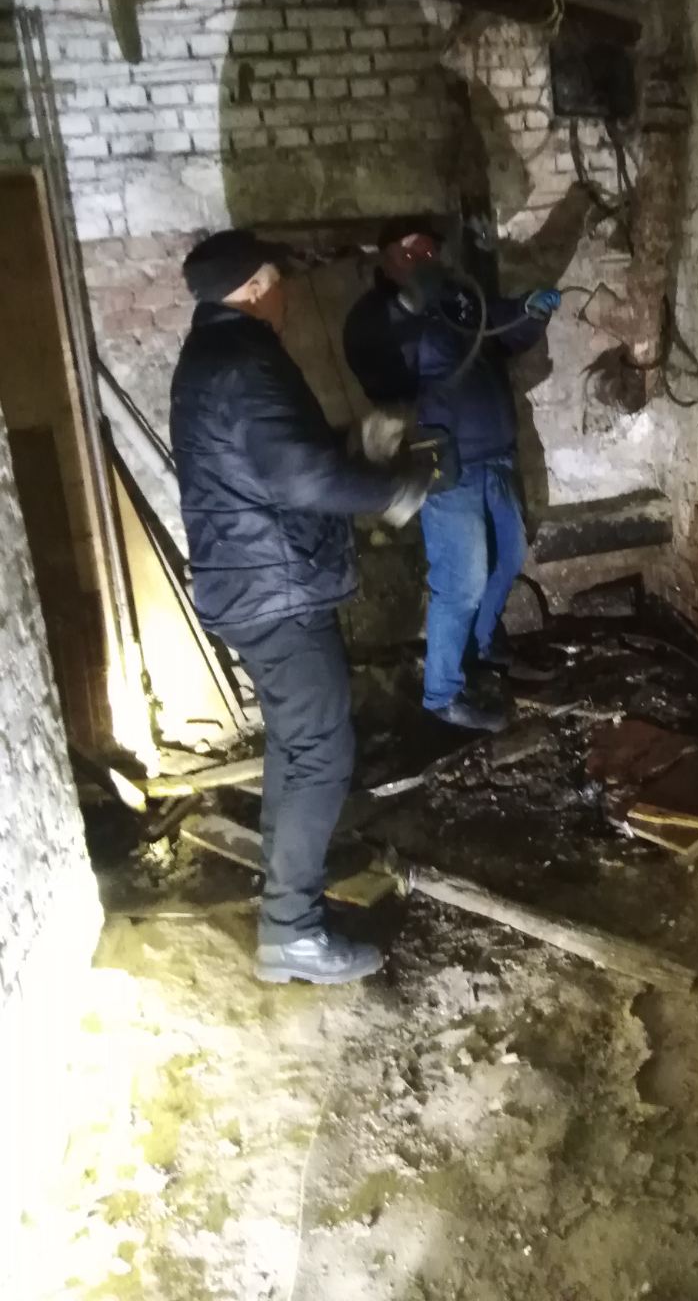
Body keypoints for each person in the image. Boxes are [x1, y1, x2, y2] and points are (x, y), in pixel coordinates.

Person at [170, 228, 434, 985]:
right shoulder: (245, 362)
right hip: (274, 591)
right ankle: (291, 931)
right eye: (277, 281)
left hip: (251, 584)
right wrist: (392, 487)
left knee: (297, 744)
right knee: (321, 750)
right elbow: (300, 481)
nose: (284, 294)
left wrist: (354, 445)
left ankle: (286, 895)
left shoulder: (212, 358)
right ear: (257, 287)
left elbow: (274, 464)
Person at [343, 221, 560, 732]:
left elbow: (499, 330)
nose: (428, 259)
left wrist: (530, 312)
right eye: (415, 251)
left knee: (509, 556)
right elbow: (378, 371)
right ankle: (442, 693)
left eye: (432, 251)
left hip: (497, 453)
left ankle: (485, 647)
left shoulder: (458, 299)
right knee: (462, 580)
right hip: (445, 460)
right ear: (388, 257)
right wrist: (408, 308)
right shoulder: (373, 316)